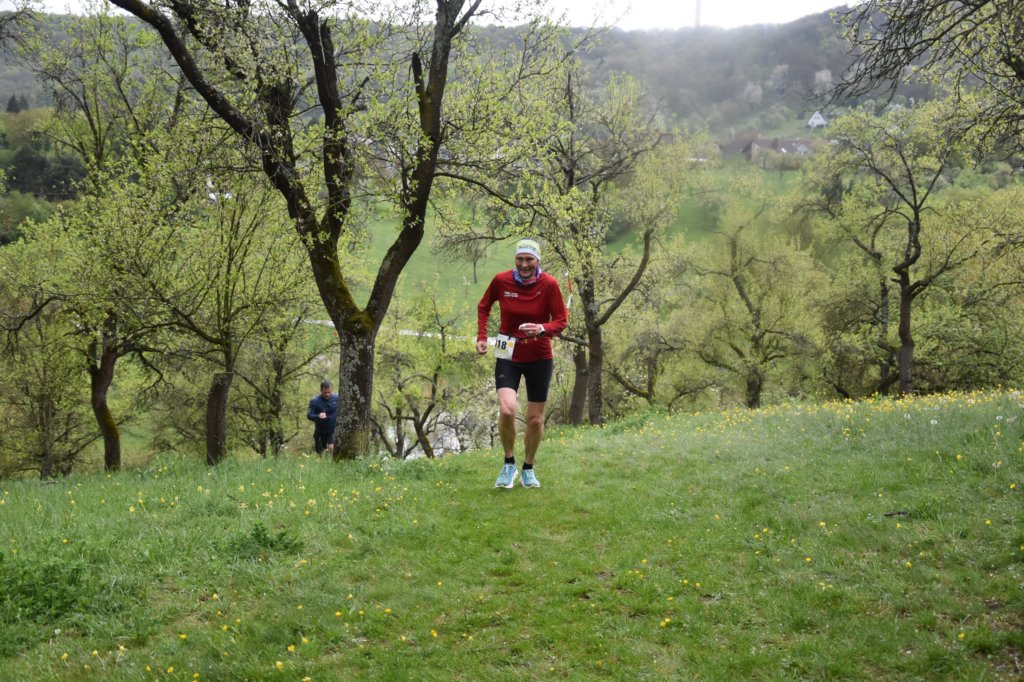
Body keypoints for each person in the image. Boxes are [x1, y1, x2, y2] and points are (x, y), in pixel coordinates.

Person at [476, 238, 568, 488]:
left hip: (539, 355)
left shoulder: (549, 284)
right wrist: (482, 337)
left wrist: (541, 328)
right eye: (520, 259)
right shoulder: (501, 280)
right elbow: (484, 306)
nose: (524, 264)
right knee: (507, 410)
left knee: (535, 419)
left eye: (529, 259)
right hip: (507, 351)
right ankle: (509, 464)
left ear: (537, 260)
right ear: (515, 259)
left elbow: (561, 321)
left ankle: (528, 468)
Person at [307, 380, 338, 455]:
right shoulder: (314, 401)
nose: (327, 394)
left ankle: (333, 461)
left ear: (331, 390)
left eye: (329, 392)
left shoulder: (337, 398)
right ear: (321, 390)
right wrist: (318, 416)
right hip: (320, 431)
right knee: (320, 454)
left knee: (331, 448)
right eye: (325, 392)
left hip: (332, 430)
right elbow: (309, 415)